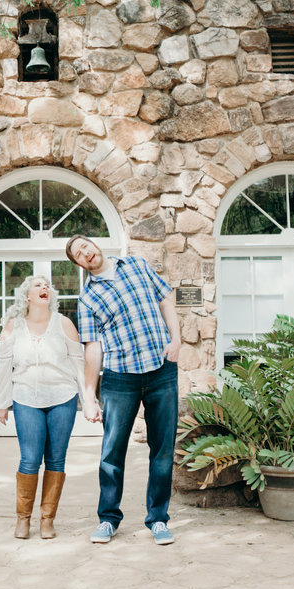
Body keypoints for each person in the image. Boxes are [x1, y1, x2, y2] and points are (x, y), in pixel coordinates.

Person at [66, 234, 181, 546]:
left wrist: (176, 340)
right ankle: (108, 519)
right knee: (112, 451)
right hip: (120, 377)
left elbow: (165, 299)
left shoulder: (136, 265)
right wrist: (89, 397)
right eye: (78, 253)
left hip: (161, 368)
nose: (86, 252)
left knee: (162, 449)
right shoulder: (87, 298)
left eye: (85, 245)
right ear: (78, 264)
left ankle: (158, 519)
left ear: (95, 245)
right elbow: (92, 348)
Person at [0, 275, 94, 539]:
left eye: (47, 285)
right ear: (28, 296)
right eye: (38, 285)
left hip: (63, 397)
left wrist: (89, 401)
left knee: (56, 459)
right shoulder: (14, 326)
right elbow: (3, 367)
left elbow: (79, 365)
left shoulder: (64, 324)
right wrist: (1, 403)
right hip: (26, 398)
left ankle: (47, 520)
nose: (44, 287)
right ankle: (23, 519)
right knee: (30, 459)